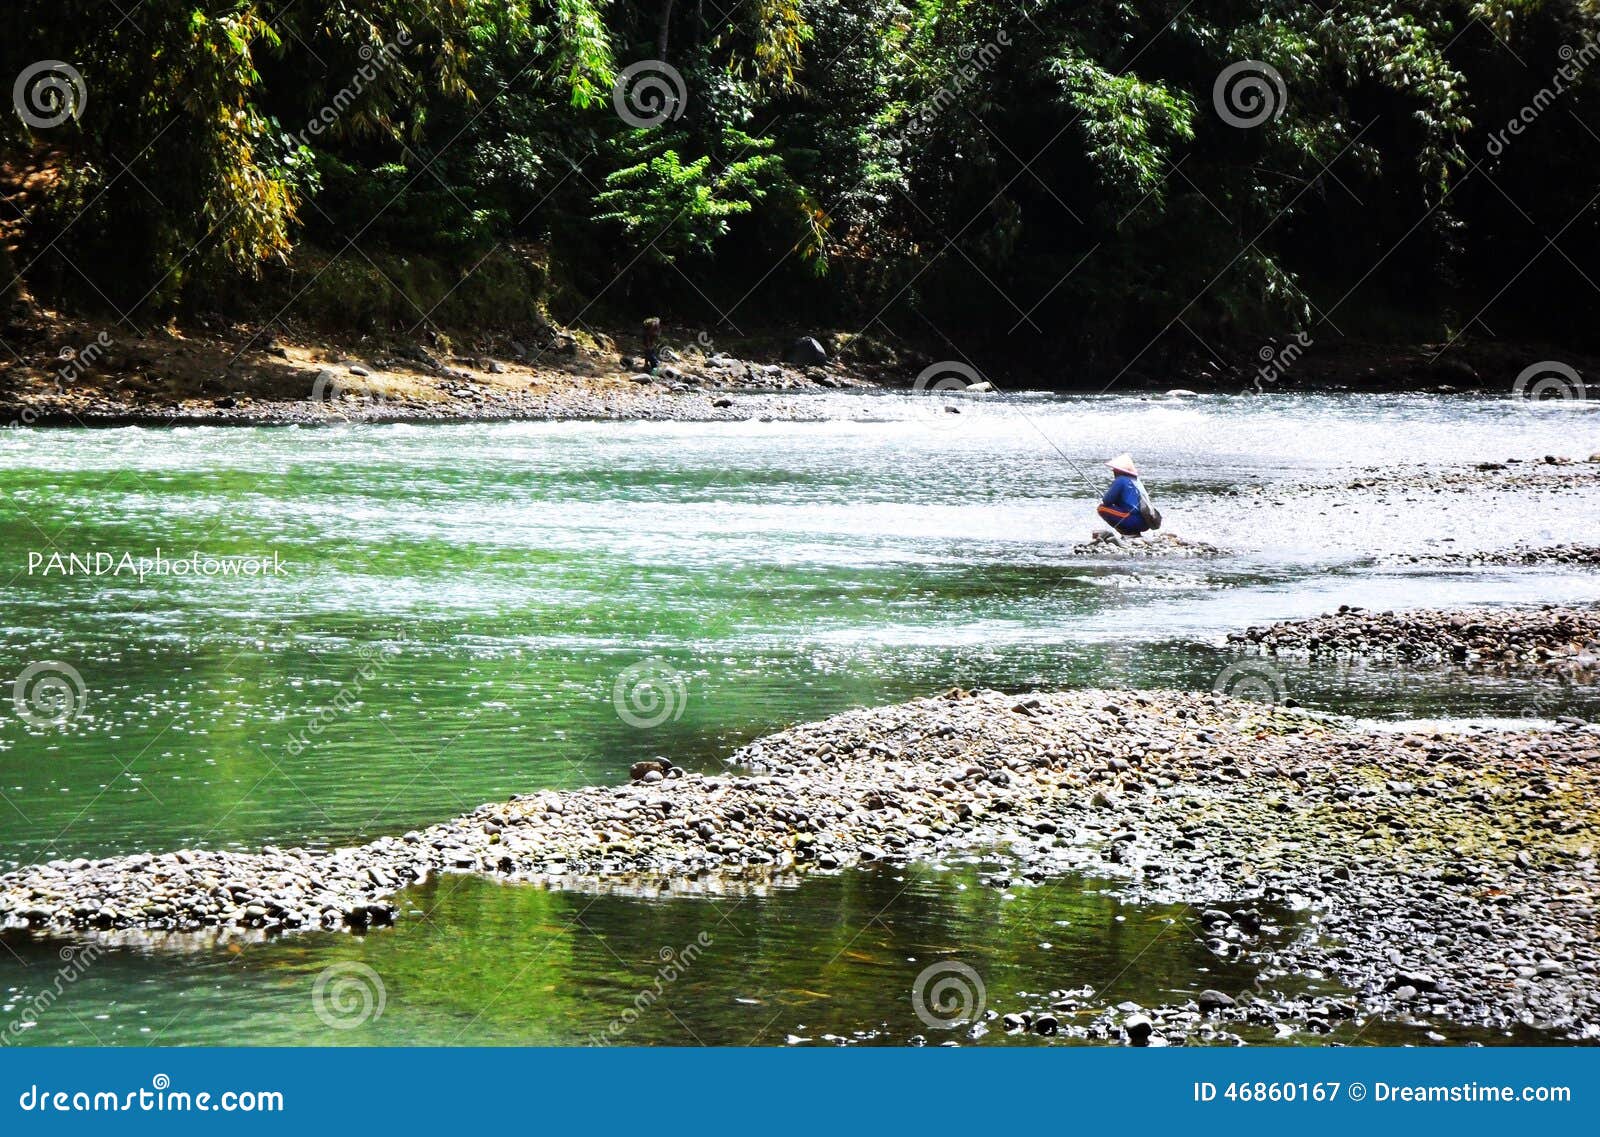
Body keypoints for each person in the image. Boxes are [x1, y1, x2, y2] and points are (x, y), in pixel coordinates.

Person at [1096, 453, 1159, 537]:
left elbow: (1106, 501)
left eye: (1114, 470)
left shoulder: (1121, 480)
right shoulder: (1136, 481)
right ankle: (1134, 533)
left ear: (1119, 471)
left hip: (1134, 520)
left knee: (1101, 508)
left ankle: (1128, 533)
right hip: (1146, 523)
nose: (1113, 471)